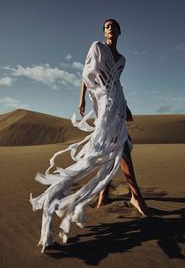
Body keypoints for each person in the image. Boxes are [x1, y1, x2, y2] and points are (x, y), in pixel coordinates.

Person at [30, 19, 151, 253]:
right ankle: (136, 197)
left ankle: (105, 193)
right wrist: (82, 98)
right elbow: (87, 73)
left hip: (117, 103)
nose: (110, 29)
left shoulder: (123, 59)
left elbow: (118, 83)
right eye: (106, 26)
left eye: (113, 26)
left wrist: (126, 106)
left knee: (116, 146)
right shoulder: (97, 47)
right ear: (103, 31)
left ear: (120, 31)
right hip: (104, 104)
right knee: (118, 147)